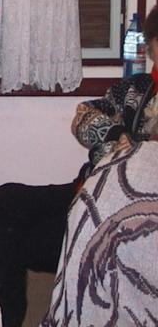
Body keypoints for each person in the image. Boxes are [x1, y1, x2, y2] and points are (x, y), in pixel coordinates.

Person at [0, 4, 158, 327]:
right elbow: (82, 118)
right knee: (1, 200)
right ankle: (8, 317)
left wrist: (135, 152)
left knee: (15, 242)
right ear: (151, 47)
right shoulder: (135, 88)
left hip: (115, 219)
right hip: (85, 189)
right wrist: (116, 135)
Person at [42, 135, 158, 325]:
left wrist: (121, 145)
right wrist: (118, 134)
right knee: (3, 200)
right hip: (90, 184)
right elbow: (82, 124)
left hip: (108, 191)